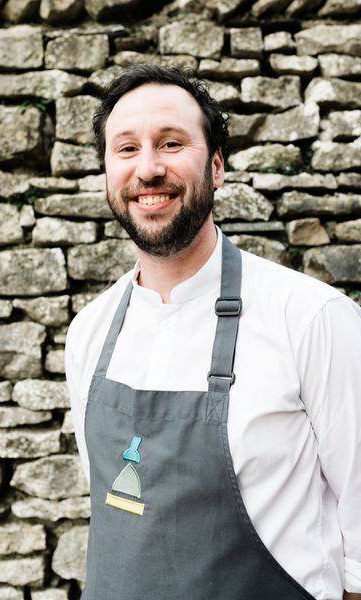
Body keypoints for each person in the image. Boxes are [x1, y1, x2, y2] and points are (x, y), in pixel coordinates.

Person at [65, 65, 361, 600]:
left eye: (171, 143)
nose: (148, 168)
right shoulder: (88, 333)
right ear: (108, 171)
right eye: (126, 149)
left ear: (217, 166)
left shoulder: (312, 319)